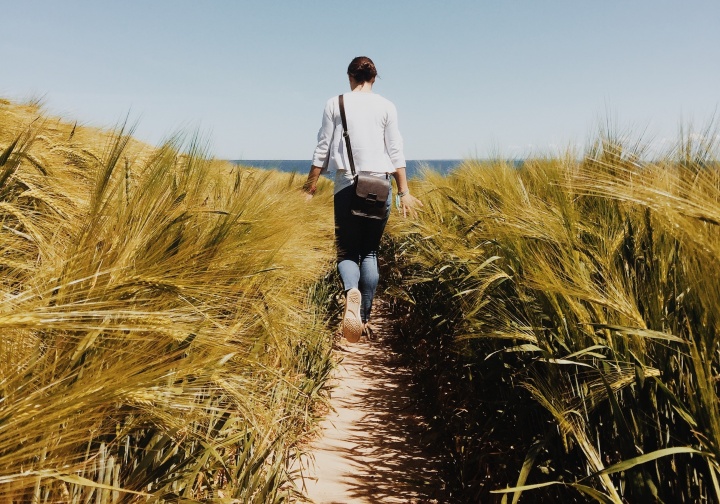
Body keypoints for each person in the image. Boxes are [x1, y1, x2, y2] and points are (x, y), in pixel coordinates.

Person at [303, 56, 422, 343]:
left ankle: (350, 292)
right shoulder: (387, 106)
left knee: (346, 253)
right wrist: (404, 191)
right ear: (373, 78)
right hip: (380, 186)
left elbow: (323, 148)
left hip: (347, 185)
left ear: (350, 77)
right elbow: (396, 151)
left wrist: (310, 187)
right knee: (369, 253)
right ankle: (364, 319)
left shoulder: (336, 103)